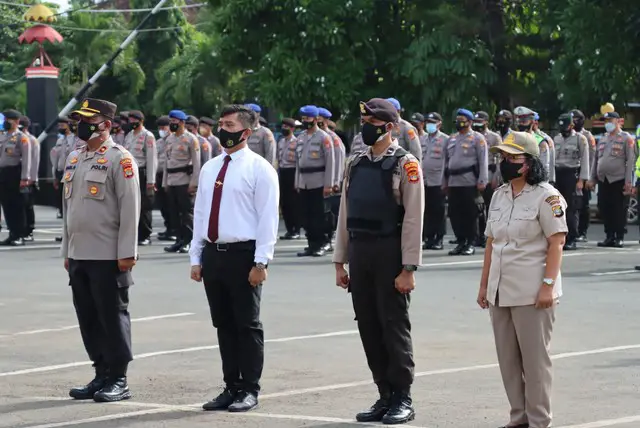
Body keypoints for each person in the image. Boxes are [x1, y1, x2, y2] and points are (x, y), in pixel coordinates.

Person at [333, 98, 424, 425]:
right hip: (360, 252)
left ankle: (403, 396)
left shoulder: (405, 164)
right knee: (369, 325)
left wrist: (409, 268)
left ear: (389, 127)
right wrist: (339, 260)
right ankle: (384, 393)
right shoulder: (355, 163)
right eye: (363, 121)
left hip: (389, 252)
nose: (365, 127)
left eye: (371, 122)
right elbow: (346, 213)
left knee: (393, 325)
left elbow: (414, 219)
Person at [189, 104, 279, 413]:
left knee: (247, 325)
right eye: (221, 124)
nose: (222, 129)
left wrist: (261, 262)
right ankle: (231, 386)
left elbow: (268, 219)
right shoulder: (210, 167)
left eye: (229, 125)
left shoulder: (260, 169)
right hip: (215, 254)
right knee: (224, 325)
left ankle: (249, 389)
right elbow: (201, 214)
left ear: (246, 132)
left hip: (244, 255)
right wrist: (196, 257)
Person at [477, 131, 567, 428]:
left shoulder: (547, 196)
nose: (504, 162)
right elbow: (492, 243)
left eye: (511, 158)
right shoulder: (500, 195)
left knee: (535, 363)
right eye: (502, 157)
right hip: (500, 290)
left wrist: (549, 286)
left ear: (528, 162)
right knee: (509, 361)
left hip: (532, 292)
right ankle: (519, 418)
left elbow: (556, 243)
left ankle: (540, 422)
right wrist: (484, 285)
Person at [61, 98, 140, 402]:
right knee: (88, 317)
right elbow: (69, 209)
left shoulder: (121, 160)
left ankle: (119, 378)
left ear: (105, 125)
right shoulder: (75, 158)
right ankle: (101, 373)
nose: (82, 125)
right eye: (79, 119)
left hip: (108, 255)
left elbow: (130, 209)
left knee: (112, 316)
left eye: (87, 120)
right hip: (80, 253)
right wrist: (67, 251)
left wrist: (127, 252)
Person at [442, 108, 489, 255]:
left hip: (469, 181)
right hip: (453, 182)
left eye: (462, 119)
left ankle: (470, 243)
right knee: (455, 214)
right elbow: (446, 162)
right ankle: (460, 241)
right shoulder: (452, 139)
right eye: (457, 119)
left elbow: (483, 161)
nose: (459, 122)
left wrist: (482, 180)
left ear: (469, 122)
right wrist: (444, 182)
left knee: (470, 214)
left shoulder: (477, 138)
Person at [588, 111, 636, 247]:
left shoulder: (626, 138)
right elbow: (596, 160)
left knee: (619, 209)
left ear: (618, 121)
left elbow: (630, 162)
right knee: (604, 207)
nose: (607, 123)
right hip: (603, 180)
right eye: (606, 121)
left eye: (610, 120)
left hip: (618, 179)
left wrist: (628, 182)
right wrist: (592, 178)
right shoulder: (603, 138)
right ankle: (609, 236)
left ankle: (619, 236)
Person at [295, 105, 334, 257]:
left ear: (316, 119)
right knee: (306, 215)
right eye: (303, 118)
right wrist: (297, 181)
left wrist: (329, 184)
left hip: (319, 180)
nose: (305, 121)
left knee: (319, 216)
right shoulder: (301, 137)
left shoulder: (324, 137)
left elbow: (331, 161)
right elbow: (298, 162)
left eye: (308, 118)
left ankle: (321, 243)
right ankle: (311, 244)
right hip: (304, 181)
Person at [162, 110, 201, 253]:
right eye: (171, 121)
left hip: (184, 180)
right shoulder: (169, 139)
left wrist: (194, 183)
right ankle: (178, 240)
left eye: (175, 121)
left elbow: (197, 164)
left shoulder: (191, 139)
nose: (172, 124)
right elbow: (167, 162)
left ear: (182, 122)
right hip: (172, 180)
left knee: (186, 214)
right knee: (174, 213)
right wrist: (164, 182)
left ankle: (189, 241)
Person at [553, 113, 589, 250]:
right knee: (557, 208)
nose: (563, 128)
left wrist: (582, 180)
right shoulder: (556, 138)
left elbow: (585, 160)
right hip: (558, 174)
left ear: (571, 125)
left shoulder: (580, 139)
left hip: (572, 174)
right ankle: (560, 236)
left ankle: (572, 238)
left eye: (566, 125)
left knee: (571, 208)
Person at [123, 110, 158, 246]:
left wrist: (151, 181)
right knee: (131, 205)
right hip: (128, 173)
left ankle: (146, 234)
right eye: (130, 120)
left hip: (142, 172)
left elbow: (151, 159)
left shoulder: (147, 136)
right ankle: (135, 233)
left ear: (141, 121)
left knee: (144, 206)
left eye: (134, 120)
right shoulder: (129, 136)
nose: (131, 123)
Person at [0, 109, 32, 246]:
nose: (6, 122)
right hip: (3, 174)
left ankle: (19, 234)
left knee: (17, 206)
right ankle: (12, 233)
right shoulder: (2, 136)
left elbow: (26, 159)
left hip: (15, 173)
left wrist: (25, 177)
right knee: (6, 205)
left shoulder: (21, 137)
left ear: (17, 121)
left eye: (9, 119)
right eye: (5, 119)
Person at [472, 111, 503, 248]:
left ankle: (491, 235)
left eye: (480, 121)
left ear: (486, 122)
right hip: (475, 175)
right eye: (475, 120)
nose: (477, 123)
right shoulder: (472, 137)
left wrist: (497, 177)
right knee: (477, 208)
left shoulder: (495, 137)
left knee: (491, 208)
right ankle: (478, 235)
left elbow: (500, 160)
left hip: (491, 175)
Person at [421, 112, 448, 250]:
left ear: (439, 124)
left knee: (438, 210)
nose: (429, 124)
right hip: (424, 180)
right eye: (427, 122)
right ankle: (429, 238)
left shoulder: (445, 140)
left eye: (432, 122)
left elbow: (447, 161)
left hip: (438, 180)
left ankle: (439, 238)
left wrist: (446, 180)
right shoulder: (422, 139)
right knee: (426, 211)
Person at [571, 109, 596, 242]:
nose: (574, 122)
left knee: (584, 205)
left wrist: (589, 177)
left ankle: (583, 232)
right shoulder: (568, 134)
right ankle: (573, 231)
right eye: (572, 119)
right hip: (571, 174)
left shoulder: (587, 136)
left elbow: (592, 158)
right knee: (572, 204)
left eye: (576, 119)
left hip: (584, 174)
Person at [277, 117, 301, 239]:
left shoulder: (297, 142)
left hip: (292, 172)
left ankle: (296, 230)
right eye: (283, 126)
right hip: (283, 172)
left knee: (293, 203)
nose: (284, 129)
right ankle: (289, 229)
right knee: (284, 203)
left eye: (286, 127)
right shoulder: (280, 142)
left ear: (292, 129)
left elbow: (298, 162)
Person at [19, 115, 40, 242]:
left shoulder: (32, 140)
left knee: (28, 206)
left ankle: (29, 230)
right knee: (19, 206)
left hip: (29, 179)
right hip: (19, 176)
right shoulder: (18, 139)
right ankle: (21, 229)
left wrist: (32, 178)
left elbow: (34, 161)